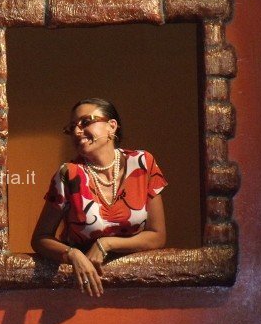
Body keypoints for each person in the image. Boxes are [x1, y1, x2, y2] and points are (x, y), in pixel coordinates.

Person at [31, 98, 167, 298]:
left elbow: (157, 235)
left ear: (112, 126)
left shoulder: (143, 163)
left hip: (136, 287)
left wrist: (106, 244)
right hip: (84, 288)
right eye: (72, 128)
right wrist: (72, 254)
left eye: (86, 122)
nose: (77, 132)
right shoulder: (69, 174)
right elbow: (40, 239)